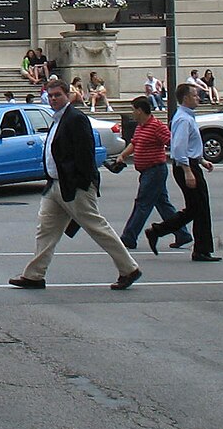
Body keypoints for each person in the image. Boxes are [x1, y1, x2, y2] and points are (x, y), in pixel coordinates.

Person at [10, 78, 144, 291]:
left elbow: (85, 155)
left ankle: (129, 269)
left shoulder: (76, 119)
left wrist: (79, 184)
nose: (54, 99)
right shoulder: (58, 119)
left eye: (58, 95)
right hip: (55, 185)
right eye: (51, 96)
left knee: (96, 227)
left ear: (68, 96)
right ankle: (34, 275)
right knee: (45, 230)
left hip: (72, 186)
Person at [146, 83, 219, 261]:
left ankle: (158, 231)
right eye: (195, 95)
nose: (198, 98)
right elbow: (178, 148)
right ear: (185, 98)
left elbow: (188, 146)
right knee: (200, 208)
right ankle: (200, 250)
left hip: (191, 164)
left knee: (196, 208)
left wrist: (201, 160)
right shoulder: (183, 119)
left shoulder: (186, 117)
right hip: (186, 167)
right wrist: (188, 170)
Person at [118, 96, 184, 252]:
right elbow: (135, 143)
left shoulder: (156, 126)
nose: (132, 113)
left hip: (155, 170)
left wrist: (183, 160)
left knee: (142, 203)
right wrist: (123, 155)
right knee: (163, 205)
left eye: (133, 110)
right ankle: (182, 233)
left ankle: (129, 236)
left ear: (140, 110)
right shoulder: (141, 126)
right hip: (147, 171)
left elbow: (172, 142)